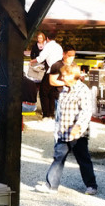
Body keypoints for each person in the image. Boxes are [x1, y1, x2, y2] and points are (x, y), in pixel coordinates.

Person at [35, 63, 98, 195]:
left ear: (71, 75)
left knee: (83, 159)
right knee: (58, 157)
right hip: (63, 132)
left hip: (77, 133)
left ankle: (91, 185)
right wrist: (57, 130)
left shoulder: (83, 90)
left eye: (63, 75)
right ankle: (51, 185)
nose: (61, 78)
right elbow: (60, 112)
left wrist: (78, 126)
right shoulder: (64, 89)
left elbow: (86, 111)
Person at [30, 31, 63, 119]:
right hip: (59, 69)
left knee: (43, 92)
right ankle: (51, 113)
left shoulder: (48, 46)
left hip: (51, 70)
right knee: (52, 92)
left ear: (47, 38)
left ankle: (46, 114)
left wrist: (32, 61)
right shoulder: (59, 47)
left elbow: (41, 58)